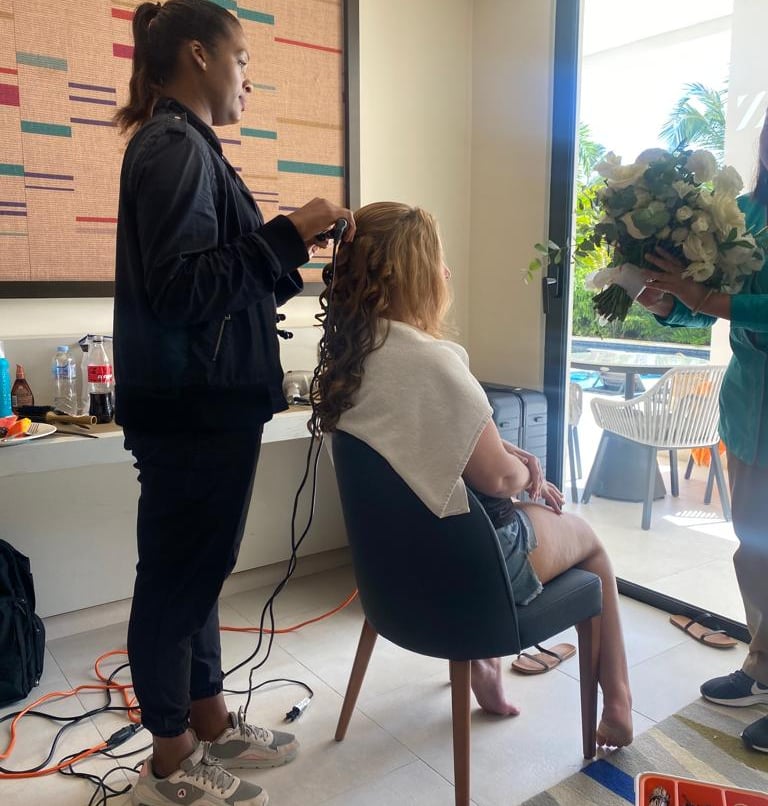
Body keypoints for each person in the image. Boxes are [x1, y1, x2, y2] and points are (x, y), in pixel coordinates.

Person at [112, 2, 355, 804]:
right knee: (178, 579)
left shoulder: (187, 147)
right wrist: (289, 233)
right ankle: (172, 755)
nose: (248, 73)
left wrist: (289, 244)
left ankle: (210, 717)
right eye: (242, 57)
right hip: (194, 409)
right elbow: (182, 290)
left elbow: (214, 274)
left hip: (207, 404)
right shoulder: (175, 147)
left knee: (200, 572)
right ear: (198, 55)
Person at [312, 201, 634, 748]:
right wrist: (521, 471)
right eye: (438, 262)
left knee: (478, 514)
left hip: (392, 569)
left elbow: (416, 442)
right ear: (416, 275)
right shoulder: (432, 361)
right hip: (466, 575)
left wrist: (500, 447)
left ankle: (483, 667)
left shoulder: (350, 357)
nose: (447, 273)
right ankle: (621, 706)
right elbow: (499, 482)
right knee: (588, 543)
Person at [635, 125, 768, 755]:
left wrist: (707, 297)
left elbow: (722, 298)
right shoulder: (742, 213)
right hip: (748, 408)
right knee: (754, 548)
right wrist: (667, 302)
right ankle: (762, 666)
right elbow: (701, 299)